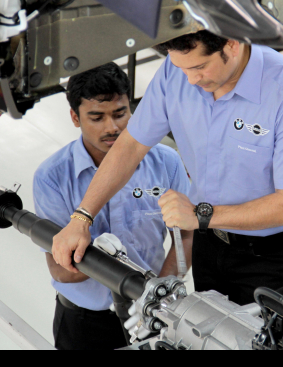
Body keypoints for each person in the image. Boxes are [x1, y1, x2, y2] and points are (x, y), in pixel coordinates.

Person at [52, 30, 283, 306]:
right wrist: (82, 218)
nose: (191, 80)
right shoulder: (176, 71)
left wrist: (201, 215)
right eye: (182, 68)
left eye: (199, 67)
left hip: (277, 255)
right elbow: (131, 145)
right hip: (210, 242)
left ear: (232, 44)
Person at [33, 62, 192, 350]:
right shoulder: (52, 177)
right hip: (85, 322)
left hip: (153, 314)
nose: (113, 127)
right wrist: (111, 261)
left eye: (121, 114)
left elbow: (187, 236)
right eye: (97, 117)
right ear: (74, 117)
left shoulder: (166, 162)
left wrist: (159, 293)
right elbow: (61, 270)